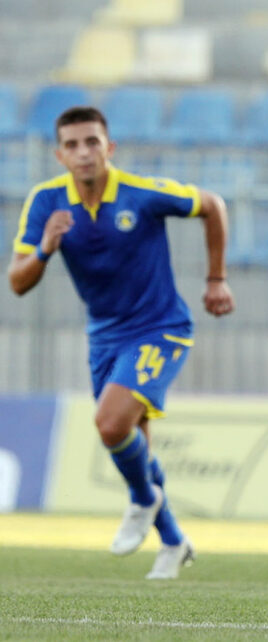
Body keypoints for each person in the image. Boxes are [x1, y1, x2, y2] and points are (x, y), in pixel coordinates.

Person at [8, 106, 234, 579]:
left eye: (92, 142)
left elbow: (213, 205)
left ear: (109, 147)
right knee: (134, 446)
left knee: (110, 425)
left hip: (160, 328)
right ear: (60, 155)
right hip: (104, 338)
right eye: (72, 145)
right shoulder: (46, 202)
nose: (83, 152)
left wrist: (216, 279)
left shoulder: (143, 194)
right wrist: (47, 248)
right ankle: (172, 541)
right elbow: (18, 281)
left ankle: (141, 500)